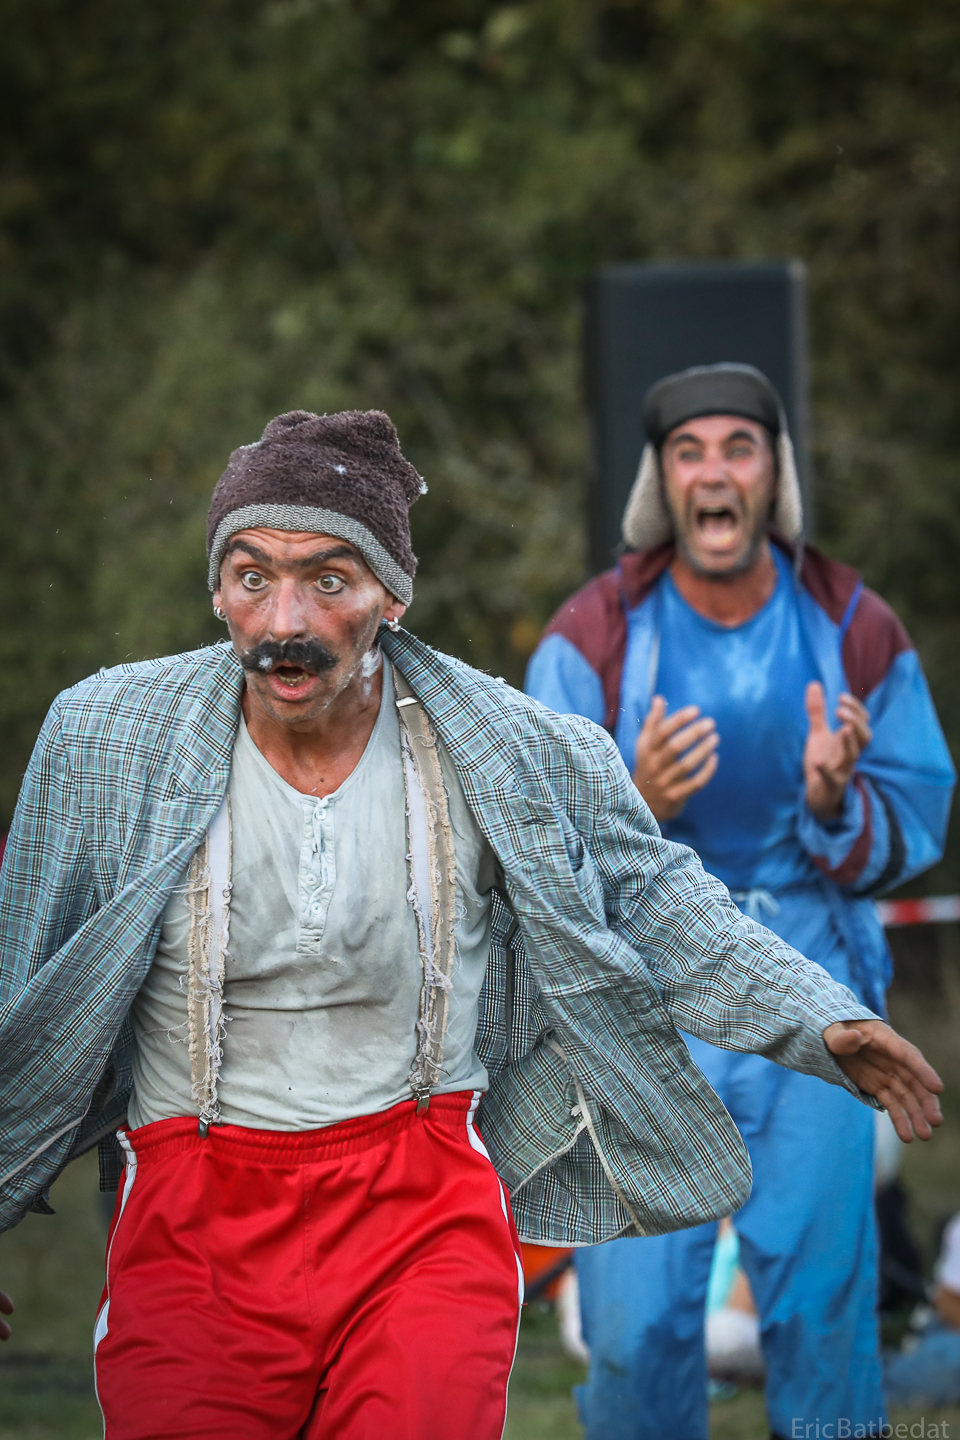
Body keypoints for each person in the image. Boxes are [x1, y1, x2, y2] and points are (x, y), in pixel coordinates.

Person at [0, 407, 944, 1440]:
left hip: (419, 1210)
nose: (284, 620)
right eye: (252, 576)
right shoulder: (107, 740)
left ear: (392, 597)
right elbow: (17, 979)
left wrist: (816, 1017)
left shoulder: (505, 746)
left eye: (329, 580)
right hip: (193, 1219)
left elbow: (654, 897)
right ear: (217, 589)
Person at [526, 363, 956, 1440]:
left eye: (739, 448)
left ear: (776, 475)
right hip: (643, 1007)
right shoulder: (592, 632)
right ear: (661, 481)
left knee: (819, 1318)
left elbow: (921, 809)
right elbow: (527, 837)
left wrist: (835, 802)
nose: (714, 471)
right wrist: (631, 800)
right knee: (635, 1331)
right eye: (690, 451)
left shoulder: (854, 625)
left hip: (818, 995)